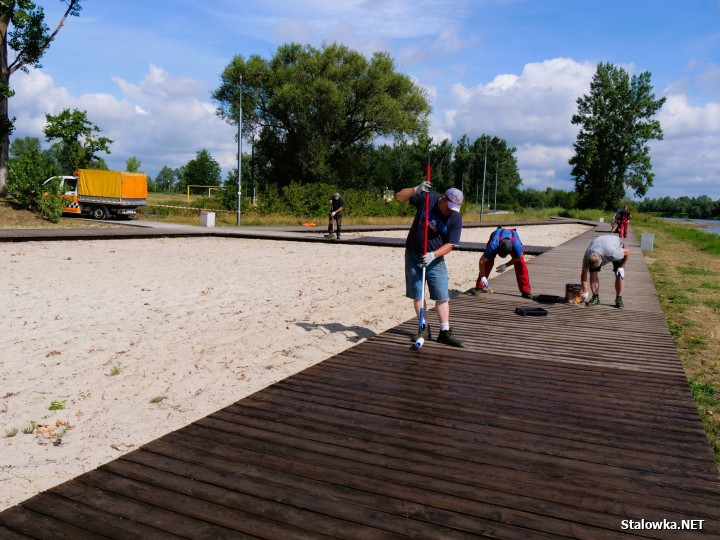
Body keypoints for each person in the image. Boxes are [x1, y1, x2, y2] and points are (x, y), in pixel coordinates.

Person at [395, 181, 465, 347]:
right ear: (442, 199)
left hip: (435, 259)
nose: (449, 211)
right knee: (418, 294)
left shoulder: (455, 218)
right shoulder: (428, 199)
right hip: (413, 254)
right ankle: (423, 327)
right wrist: (416, 189)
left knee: (442, 295)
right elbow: (399, 197)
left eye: (453, 208)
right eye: (448, 206)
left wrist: (434, 254)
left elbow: (451, 244)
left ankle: (445, 331)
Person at [472, 227, 532, 298]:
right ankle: (479, 287)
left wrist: (506, 265)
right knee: (488, 261)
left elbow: (519, 257)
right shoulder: (494, 244)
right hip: (497, 236)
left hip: (512, 239)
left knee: (521, 264)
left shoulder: (517, 245)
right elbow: (482, 260)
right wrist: (483, 277)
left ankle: (525, 291)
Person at [581, 235, 630, 309]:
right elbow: (583, 275)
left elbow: (627, 252)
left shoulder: (613, 254)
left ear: (602, 260)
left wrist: (621, 267)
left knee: (619, 273)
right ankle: (595, 298)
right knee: (592, 272)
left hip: (616, 243)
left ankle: (619, 298)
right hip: (599, 243)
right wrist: (585, 291)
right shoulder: (587, 256)